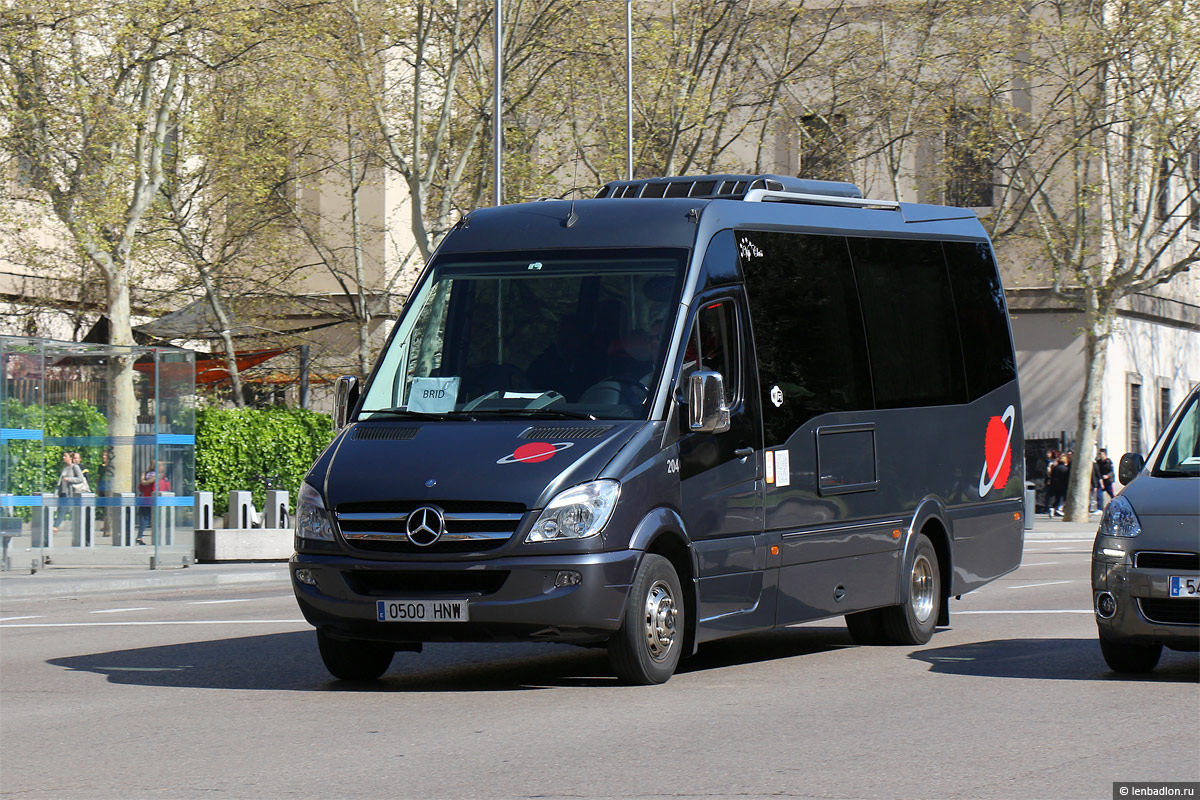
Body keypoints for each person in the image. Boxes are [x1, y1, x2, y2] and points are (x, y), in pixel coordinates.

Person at [136, 462, 170, 545]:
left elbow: (140, 487)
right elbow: (162, 488)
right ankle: (160, 538)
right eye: (162, 465)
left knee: (145, 519)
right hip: (156, 501)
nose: (163, 467)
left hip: (146, 500)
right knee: (158, 519)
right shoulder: (160, 476)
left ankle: (139, 536)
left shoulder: (146, 475)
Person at [53, 451, 85, 534]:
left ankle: (55, 526)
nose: (63, 458)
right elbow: (59, 482)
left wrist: (69, 479)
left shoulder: (74, 467)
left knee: (63, 510)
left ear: (70, 458)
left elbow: (80, 478)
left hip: (70, 493)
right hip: (62, 492)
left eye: (65, 456)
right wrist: (56, 493)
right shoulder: (64, 468)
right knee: (61, 510)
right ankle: (55, 527)